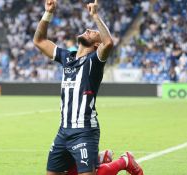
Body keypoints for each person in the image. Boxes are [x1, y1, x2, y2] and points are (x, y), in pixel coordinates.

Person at [33, 0, 144, 175]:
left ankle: (124, 161)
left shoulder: (94, 62)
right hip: (63, 131)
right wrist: (48, 13)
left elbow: (108, 43)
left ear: (96, 46)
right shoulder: (67, 58)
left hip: (84, 131)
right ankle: (99, 160)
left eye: (93, 32)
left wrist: (95, 16)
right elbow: (39, 40)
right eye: (90, 29)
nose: (89, 29)